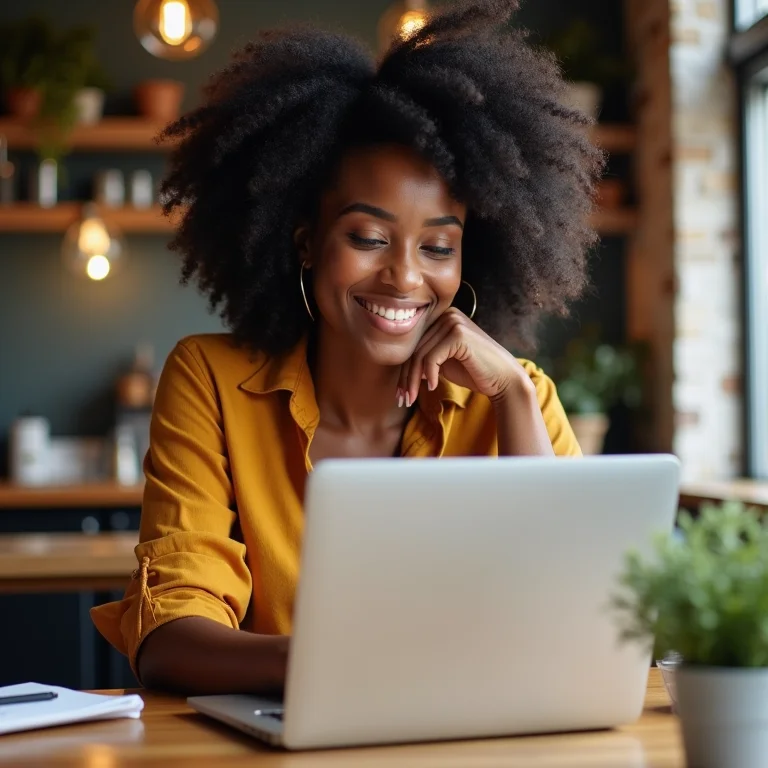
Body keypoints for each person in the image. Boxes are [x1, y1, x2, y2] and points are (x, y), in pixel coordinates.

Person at [91, 0, 604, 695]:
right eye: (368, 237)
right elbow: (168, 636)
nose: (404, 276)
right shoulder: (210, 380)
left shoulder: (518, 394)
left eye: (438, 247)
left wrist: (511, 394)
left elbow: (579, 626)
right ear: (306, 240)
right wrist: (346, 670)